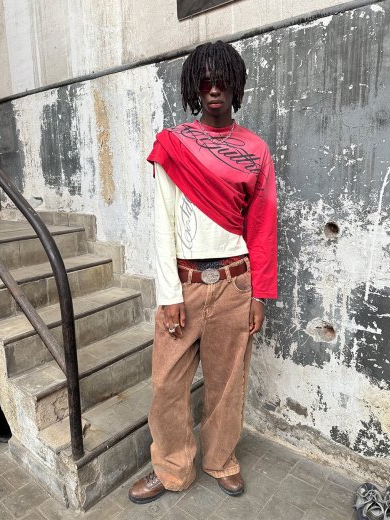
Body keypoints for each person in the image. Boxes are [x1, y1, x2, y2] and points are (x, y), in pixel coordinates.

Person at [129, 40, 277, 504]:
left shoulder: (255, 150)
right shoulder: (173, 146)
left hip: (235, 284)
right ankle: (172, 468)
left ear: (236, 86)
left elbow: (262, 225)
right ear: (195, 87)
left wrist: (259, 294)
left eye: (223, 81)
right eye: (206, 81)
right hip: (185, 286)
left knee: (227, 385)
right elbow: (163, 224)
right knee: (166, 385)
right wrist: (168, 294)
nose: (214, 89)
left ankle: (221, 460)